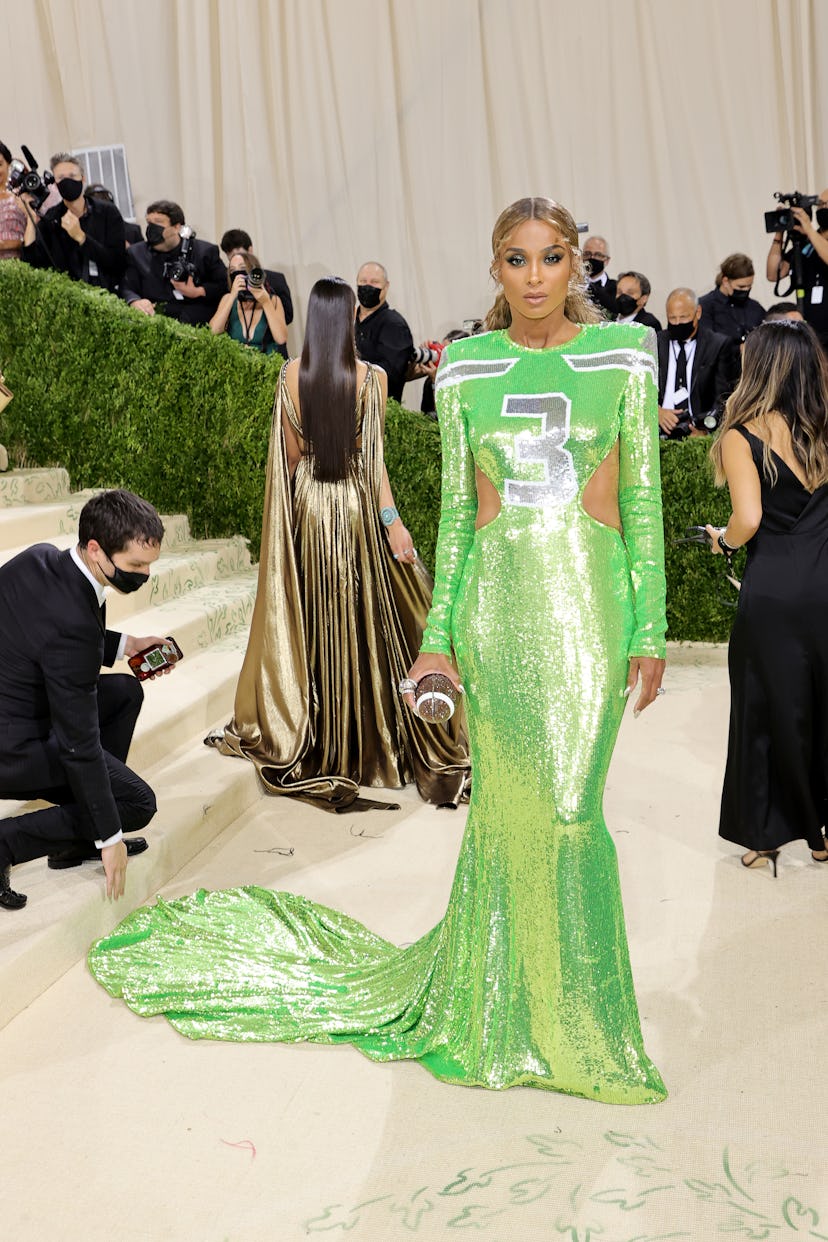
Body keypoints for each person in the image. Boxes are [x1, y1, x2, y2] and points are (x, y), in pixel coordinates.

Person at [89, 200, 666, 1107]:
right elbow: (463, 523)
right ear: (496, 270)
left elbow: (641, 505)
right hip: (496, 621)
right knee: (512, 816)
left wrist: (649, 629)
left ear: (574, 268)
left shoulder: (627, 355)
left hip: (590, 618)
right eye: (514, 260)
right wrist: (438, 639)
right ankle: (505, 1005)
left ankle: (581, 1020)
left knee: (568, 812)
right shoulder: (466, 369)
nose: (534, 276)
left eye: (552, 258)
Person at [205, 275, 468, 808]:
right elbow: (374, 467)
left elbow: (291, 457)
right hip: (353, 507)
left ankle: (316, 732)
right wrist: (394, 523)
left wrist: (302, 509)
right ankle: (375, 741)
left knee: (313, 614)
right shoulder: (369, 378)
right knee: (369, 615)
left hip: (307, 506)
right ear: (348, 319)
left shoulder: (289, 376)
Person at [0, 490, 173, 911]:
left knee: (124, 692)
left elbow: (46, 633)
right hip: (13, 748)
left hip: (16, 710)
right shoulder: (73, 624)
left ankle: (71, 842)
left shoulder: (42, 559)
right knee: (135, 803)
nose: (144, 575)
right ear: (96, 549)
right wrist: (110, 836)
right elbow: (79, 745)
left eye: (149, 565)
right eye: (135, 565)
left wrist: (128, 644)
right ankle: (6, 843)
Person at [705, 320, 828, 876]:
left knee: (766, 711)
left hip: (776, 591)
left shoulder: (742, 435)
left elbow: (748, 519)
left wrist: (722, 540)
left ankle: (765, 833)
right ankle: (820, 833)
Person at [19, 153, 126, 291]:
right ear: (55, 185)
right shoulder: (51, 219)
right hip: (67, 297)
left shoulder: (108, 212)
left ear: (83, 179)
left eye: (72, 176)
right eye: (61, 178)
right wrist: (31, 219)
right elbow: (31, 264)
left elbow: (118, 263)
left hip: (107, 294)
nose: (67, 182)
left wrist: (81, 238)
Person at [121, 200, 227, 325]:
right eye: (149, 222)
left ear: (177, 227)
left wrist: (198, 291)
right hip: (155, 318)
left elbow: (223, 285)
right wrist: (135, 301)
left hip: (195, 318)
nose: (152, 228)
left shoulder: (204, 252)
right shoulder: (136, 253)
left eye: (158, 223)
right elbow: (127, 287)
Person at [657, 288, 737, 438]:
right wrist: (656, 411)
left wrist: (706, 430)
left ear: (698, 313)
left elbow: (724, 396)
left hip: (698, 428)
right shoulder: (656, 342)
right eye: (672, 318)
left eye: (683, 317)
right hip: (658, 429)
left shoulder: (717, 345)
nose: (678, 323)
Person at [765, 189, 828, 348]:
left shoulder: (813, 238)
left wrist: (808, 229)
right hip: (810, 333)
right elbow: (774, 273)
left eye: (827, 204)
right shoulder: (806, 244)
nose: (822, 209)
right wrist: (779, 233)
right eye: (820, 205)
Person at [354, 261, 414, 401]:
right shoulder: (348, 320)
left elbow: (391, 375)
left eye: (374, 282)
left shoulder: (394, 325)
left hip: (381, 410)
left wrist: (354, 370)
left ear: (386, 286)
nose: (368, 285)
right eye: (363, 281)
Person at [209, 249, 288, 355]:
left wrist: (265, 302)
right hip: (237, 364)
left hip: (267, 364)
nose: (238, 275)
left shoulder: (273, 300)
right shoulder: (228, 299)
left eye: (242, 268)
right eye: (232, 270)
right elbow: (212, 331)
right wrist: (232, 296)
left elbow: (281, 339)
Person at [219, 228, 293, 341]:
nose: (235, 258)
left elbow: (287, 317)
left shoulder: (276, 280)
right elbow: (215, 330)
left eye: (239, 252)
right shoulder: (228, 286)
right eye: (230, 255)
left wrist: (265, 304)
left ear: (250, 250)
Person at [699, 253, 765, 342]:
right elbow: (706, 343)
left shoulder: (755, 308)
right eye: (741, 287)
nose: (746, 290)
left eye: (749, 286)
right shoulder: (705, 306)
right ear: (725, 281)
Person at [0, 141, 26, 261]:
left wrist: (8, 244)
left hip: (20, 264)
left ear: (8, 164)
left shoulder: (20, 194)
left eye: (0, 164)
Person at [582, 234, 616, 315]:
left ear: (607, 260)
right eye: (587, 254)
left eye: (598, 255)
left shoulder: (617, 288)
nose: (592, 258)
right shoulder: (572, 286)